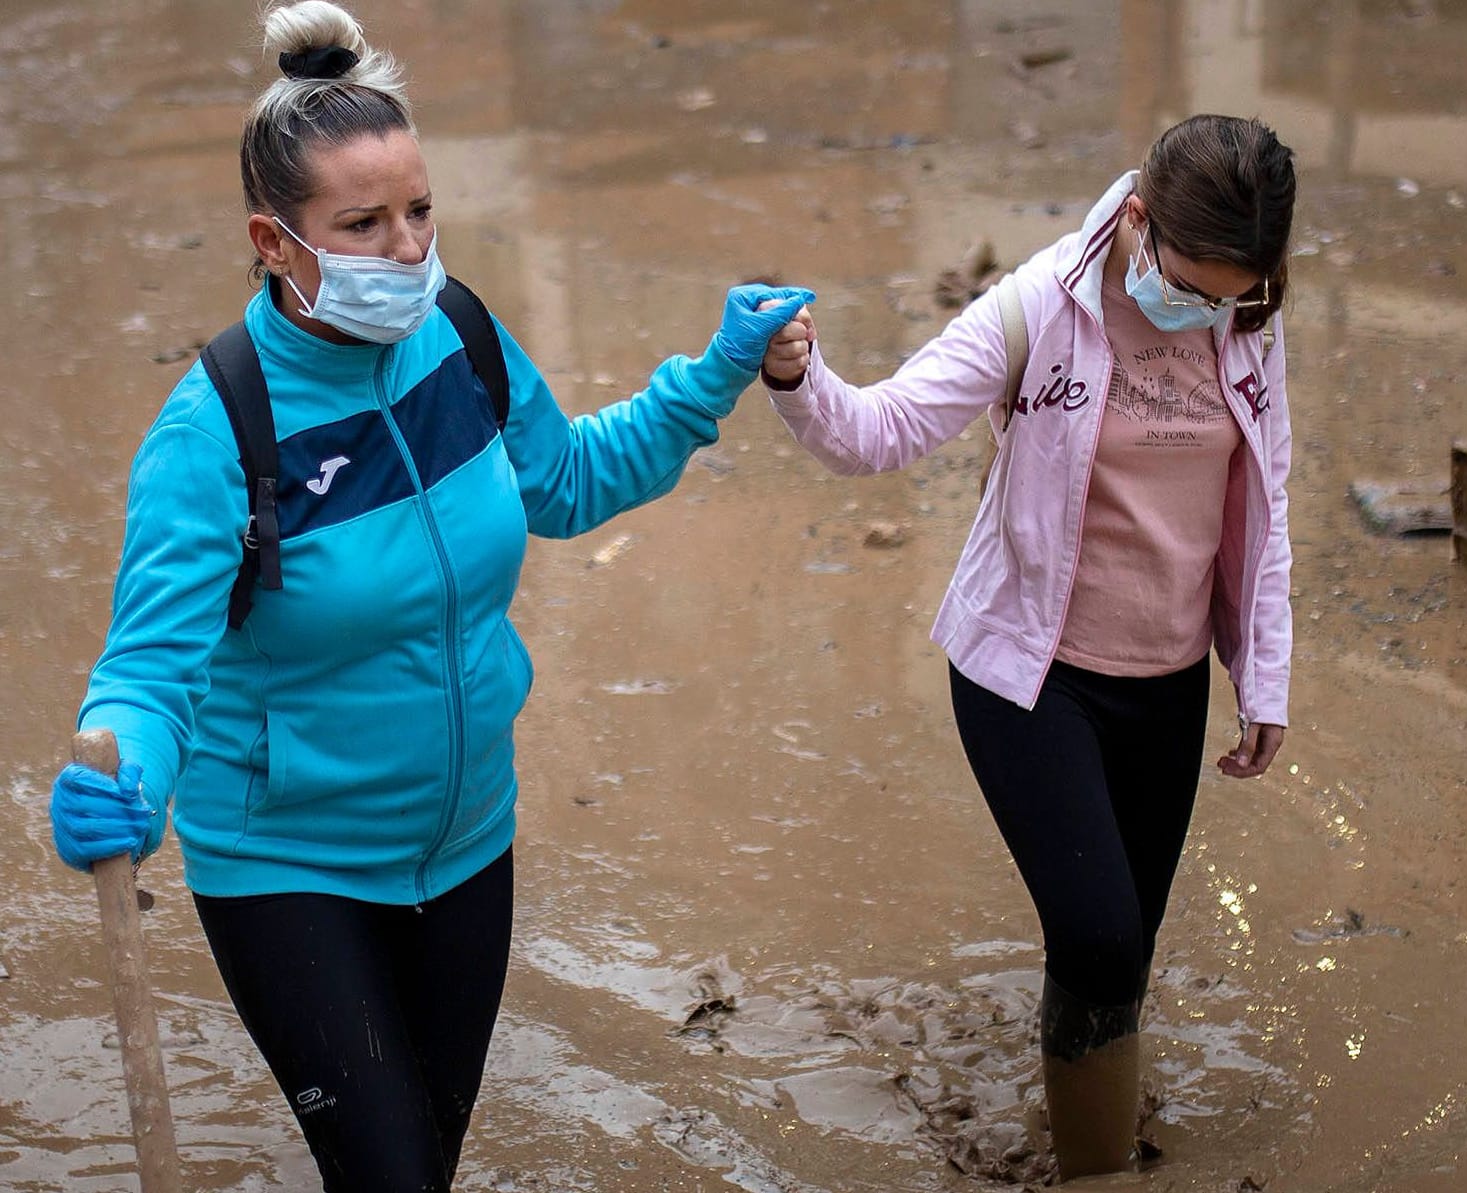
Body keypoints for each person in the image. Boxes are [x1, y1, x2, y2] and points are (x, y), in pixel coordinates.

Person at [44, 3, 811, 1188]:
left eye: (418, 211)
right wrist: (126, 775)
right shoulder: (216, 428)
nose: (406, 250)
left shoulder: (458, 330)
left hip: (467, 838)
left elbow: (567, 479)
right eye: (361, 224)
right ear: (275, 239)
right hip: (290, 862)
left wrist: (708, 378)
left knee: (421, 1168)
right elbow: (149, 670)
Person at [760, 115, 1296, 1180]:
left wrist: (1261, 674)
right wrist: (796, 372)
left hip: (1169, 678)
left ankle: (1089, 1123)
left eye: (1230, 293)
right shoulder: (1037, 307)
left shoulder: (1253, 322)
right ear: (1137, 220)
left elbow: (1264, 505)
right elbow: (880, 431)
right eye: (1189, 284)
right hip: (1029, 675)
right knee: (1098, 936)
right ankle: (1097, 1170)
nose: (1205, 310)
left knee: (1120, 954)